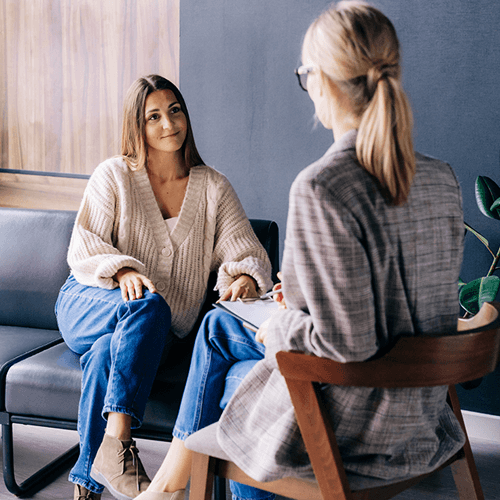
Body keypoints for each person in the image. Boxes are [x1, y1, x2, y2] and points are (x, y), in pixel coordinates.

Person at [134, 2, 466, 499]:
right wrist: (304, 299)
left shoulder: (322, 186)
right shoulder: (441, 178)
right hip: (421, 415)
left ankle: (167, 486)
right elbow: (408, 302)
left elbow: (345, 343)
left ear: (323, 81)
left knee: (242, 383)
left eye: (304, 72)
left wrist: (282, 325)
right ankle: (165, 484)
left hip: (358, 422)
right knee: (220, 322)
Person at [55, 74, 273, 500]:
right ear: (137, 125)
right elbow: (84, 246)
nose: (168, 123)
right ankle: (118, 443)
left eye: (174, 110)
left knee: (109, 351)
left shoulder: (213, 187)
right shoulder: (113, 175)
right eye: (153, 116)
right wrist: (122, 272)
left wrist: (244, 277)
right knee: (150, 305)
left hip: (159, 331)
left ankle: (87, 483)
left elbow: (245, 250)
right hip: (90, 301)